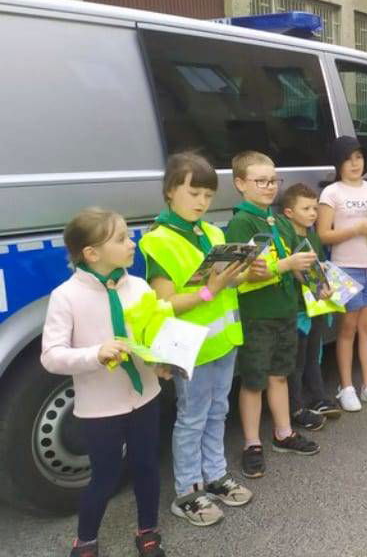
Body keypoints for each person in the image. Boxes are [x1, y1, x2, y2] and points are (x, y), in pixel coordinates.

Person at [42, 208, 170, 557]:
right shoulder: (66, 297)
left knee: (146, 467)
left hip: (145, 397)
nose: (133, 243)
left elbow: (151, 337)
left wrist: (163, 361)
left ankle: (147, 529)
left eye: (130, 235)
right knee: (105, 476)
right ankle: (85, 539)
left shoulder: (140, 286)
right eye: (122, 239)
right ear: (91, 253)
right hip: (100, 407)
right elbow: (51, 356)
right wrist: (95, 353)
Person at [138, 153, 253, 527]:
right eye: (193, 192)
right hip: (190, 347)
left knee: (218, 409)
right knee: (191, 417)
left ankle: (215, 475)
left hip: (222, 340)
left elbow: (226, 282)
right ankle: (187, 491)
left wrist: (245, 271)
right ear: (171, 191)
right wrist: (210, 290)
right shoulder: (157, 241)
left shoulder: (213, 232)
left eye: (207, 194)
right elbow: (165, 302)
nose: (202, 201)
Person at [226, 151, 321, 481]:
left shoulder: (278, 221)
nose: (269, 187)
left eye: (273, 181)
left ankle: (283, 432)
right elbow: (240, 275)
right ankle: (252, 443)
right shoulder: (241, 221)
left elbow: (298, 260)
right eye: (260, 181)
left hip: (284, 311)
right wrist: (286, 266)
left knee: (279, 374)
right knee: (253, 380)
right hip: (258, 315)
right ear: (240, 184)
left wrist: (316, 282)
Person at [317, 136, 367, 412]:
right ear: (338, 163)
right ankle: (346, 386)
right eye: (348, 159)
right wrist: (356, 229)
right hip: (344, 269)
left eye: (359, 158)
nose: (354, 164)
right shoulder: (331, 193)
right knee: (347, 328)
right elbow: (324, 234)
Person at [281, 182, 343, 427]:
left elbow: (319, 265)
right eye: (306, 209)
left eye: (315, 208)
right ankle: (295, 406)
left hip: (316, 306)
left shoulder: (313, 236)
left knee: (314, 355)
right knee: (296, 360)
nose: (313, 214)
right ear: (288, 212)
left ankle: (318, 398)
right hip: (297, 309)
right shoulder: (287, 237)